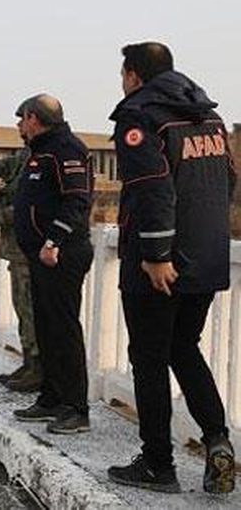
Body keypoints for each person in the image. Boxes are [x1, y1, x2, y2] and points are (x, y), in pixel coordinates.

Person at [105, 42, 235, 495]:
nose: (121, 83)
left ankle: (158, 464)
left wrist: (157, 256)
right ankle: (218, 440)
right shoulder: (210, 119)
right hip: (205, 258)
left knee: (149, 358)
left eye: (123, 74)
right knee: (185, 347)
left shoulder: (141, 116)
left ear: (134, 75)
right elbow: (228, 183)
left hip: (160, 265)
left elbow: (151, 188)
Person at [10, 93, 94, 435]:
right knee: (46, 326)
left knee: (64, 328)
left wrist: (53, 240)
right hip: (41, 255)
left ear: (34, 118)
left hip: (62, 254)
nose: (18, 125)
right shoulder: (41, 151)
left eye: (21, 118)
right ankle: (52, 397)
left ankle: (76, 408)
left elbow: (76, 201)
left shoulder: (66, 149)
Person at [0, 146, 43, 393]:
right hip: (16, 250)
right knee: (22, 309)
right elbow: (4, 166)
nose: (20, 126)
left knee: (30, 310)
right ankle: (28, 362)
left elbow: (25, 209)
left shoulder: (41, 159)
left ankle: (38, 367)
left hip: (28, 251)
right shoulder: (23, 157)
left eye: (24, 121)